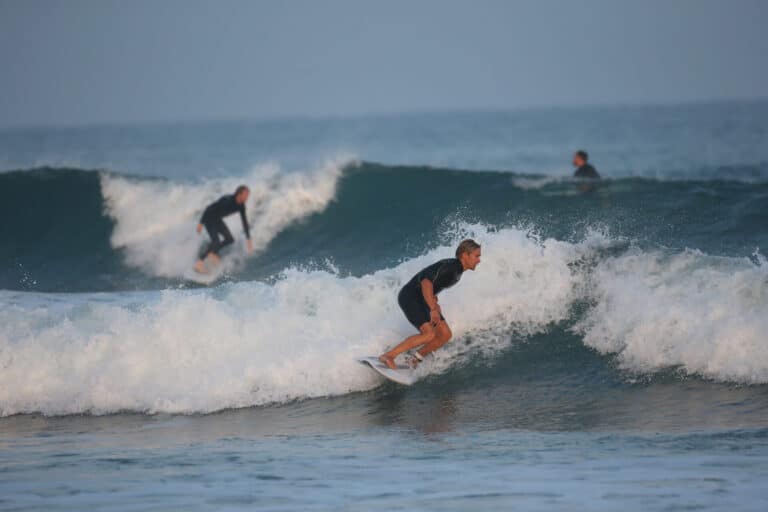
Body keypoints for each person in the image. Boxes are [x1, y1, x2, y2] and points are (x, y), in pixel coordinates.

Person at [378, 239, 482, 370]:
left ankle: (414, 359)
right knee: (429, 334)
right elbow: (426, 282)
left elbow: (434, 284)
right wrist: (432, 308)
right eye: (476, 256)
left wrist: (434, 301)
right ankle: (388, 356)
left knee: (444, 334)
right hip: (410, 297)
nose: (479, 260)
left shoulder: (457, 269)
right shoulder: (453, 268)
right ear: (465, 255)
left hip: (422, 299)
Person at [194, 185, 254, 273]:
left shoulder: (241, 206)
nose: (247, 197)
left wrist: (248, 239)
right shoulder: (227, 200)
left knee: (230, 239)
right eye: (246, 194)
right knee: (216, 241)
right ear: (239, 194)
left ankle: (212, 252)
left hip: (217, 220)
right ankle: (199, 263)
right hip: (209, 219)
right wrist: (201, 223)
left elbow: (244, 221)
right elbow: (209, 208)